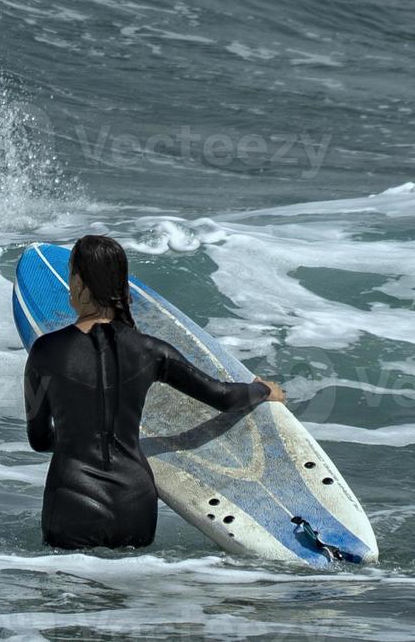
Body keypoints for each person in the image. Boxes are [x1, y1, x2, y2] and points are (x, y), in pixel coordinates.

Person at [22, 235, 287, 550]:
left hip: (73, 501)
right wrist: (261, 389)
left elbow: (39, 440)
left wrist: (73, 440)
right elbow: (224, 397)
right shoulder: (151, 351)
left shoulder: (46, 352)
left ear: (79, 284)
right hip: (134, 504)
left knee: (74, 595)